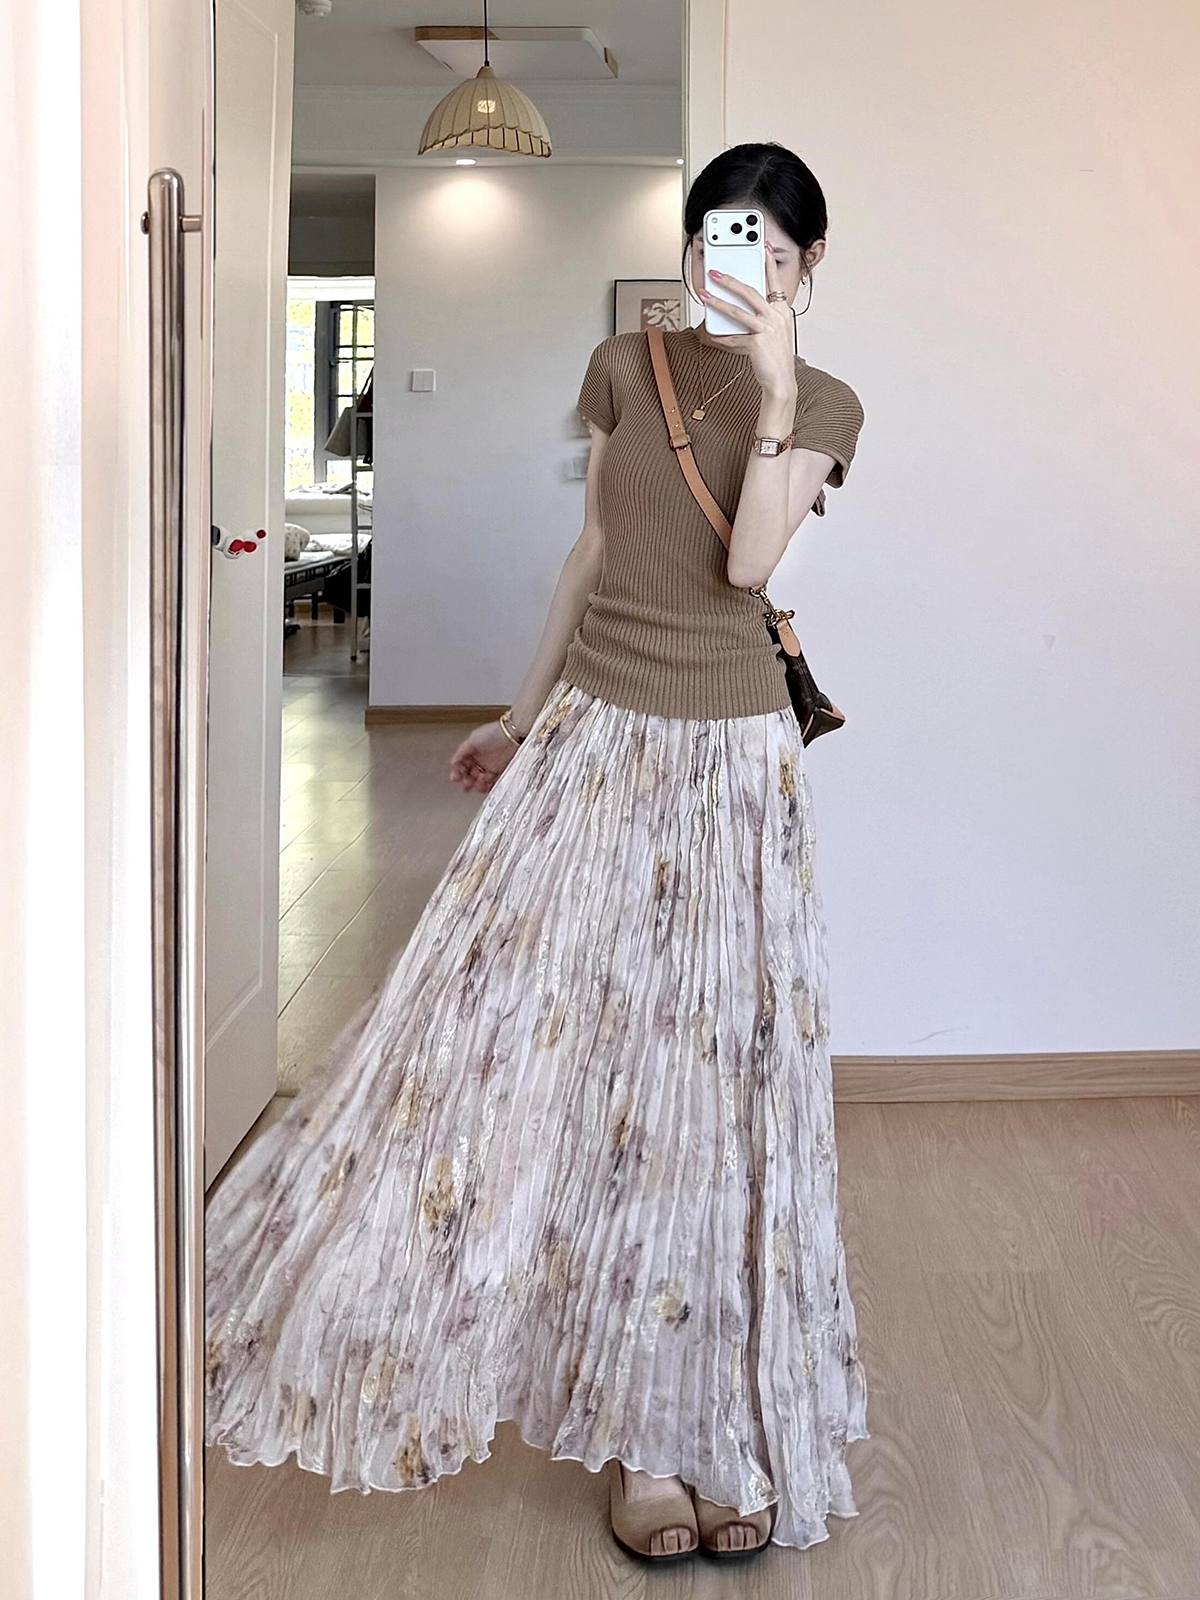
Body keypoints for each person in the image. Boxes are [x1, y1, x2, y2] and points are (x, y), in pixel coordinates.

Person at [205, 141, 869, 1563]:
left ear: (810, 261)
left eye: (767, 247)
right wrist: (517, 716)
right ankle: (637, 1427)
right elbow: (589, 556)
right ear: (689, 245)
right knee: (580, 1071)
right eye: (717, 237)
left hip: (730, 773)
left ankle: (714, 1425)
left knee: (715, 1097)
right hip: (596, 740)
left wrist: (772, 385)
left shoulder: (823, 403)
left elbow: (750, 564)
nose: (738, 265)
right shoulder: (625, 367)